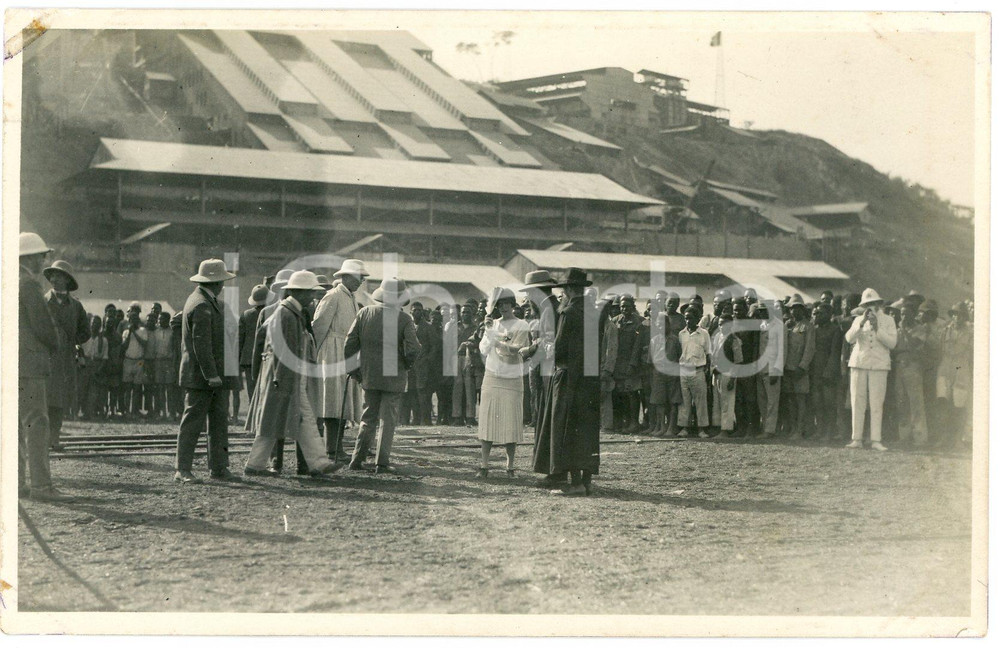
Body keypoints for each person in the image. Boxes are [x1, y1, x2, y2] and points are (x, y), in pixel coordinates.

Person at [244, 271, 341, 479]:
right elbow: (282, 351)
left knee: (282, 421)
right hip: (286, 377)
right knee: (293, 419)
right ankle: (318, 463)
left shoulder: (288, 312)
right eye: (309, 293)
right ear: (299, 293)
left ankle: (257, 464)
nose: (312, 297)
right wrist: (282, 380)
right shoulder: (287, 314)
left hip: (285, 377)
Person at [533, 268, 601, 496]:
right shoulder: (595, 311)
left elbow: (559, 348)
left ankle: (575, 483)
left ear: (570, 289)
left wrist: (541, 347)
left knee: (566, 429)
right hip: (590, 378)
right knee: (587, 429)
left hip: (568, 376)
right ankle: (587, 481)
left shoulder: (569, 312)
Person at [174, 259, 241, 483]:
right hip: (203, 377)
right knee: (194, 422)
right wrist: (211, 374)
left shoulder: (201, 300)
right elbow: (201, 344)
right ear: (217, 282)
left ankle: (219, 468)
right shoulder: (202, 304)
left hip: (209, 376)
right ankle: (182, 469)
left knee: (218, 421)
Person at [345, 278, 422, 474]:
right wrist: (406, 364)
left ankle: (357, 459)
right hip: (394, 376)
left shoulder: (364, 313)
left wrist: (354, 370)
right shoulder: (405, 319)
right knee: (388, 420)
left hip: (369, 374)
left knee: (367, 417)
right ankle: (382, 462)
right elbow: (413, 348)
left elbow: (349, 344)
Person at [18, 233, 73, 501]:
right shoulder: (28, 284)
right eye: (41, 255)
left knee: (16, 426)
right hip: (30, 365)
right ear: (29, 257)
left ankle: (17, 483)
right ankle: (41, 486)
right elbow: (44, 327)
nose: (43, 260)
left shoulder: (9, 279)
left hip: (13, 365)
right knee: (37, 423)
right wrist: (54, 346)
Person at [313, 259, 367, 462]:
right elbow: (318, 326)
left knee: (343, 402)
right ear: (347, 277)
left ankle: (337, 447)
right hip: (331, 353)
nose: (361, 281)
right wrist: (315, 356)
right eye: (359, 277)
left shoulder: (351, 298)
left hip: (346, 353)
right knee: (332, 401)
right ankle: (331, 448)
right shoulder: (333, 296)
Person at [475, 289, 533, 478]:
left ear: (513, 305)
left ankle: (510, 466)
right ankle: (484, 465)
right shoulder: (493, 324)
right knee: (487, 420)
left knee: (510, 423)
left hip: (512, 378)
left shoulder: (522, 324)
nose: (504, 307)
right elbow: (483, 349)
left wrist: (496, 341)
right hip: (492, 376)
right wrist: (488, 331)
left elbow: (514, 350)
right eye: (500, 304)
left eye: (507, 303)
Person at [43, 260, 90, 450]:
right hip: (45, 360)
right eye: (52, 275)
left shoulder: (76, 306)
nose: (54, 279)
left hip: (65, 362)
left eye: (59, 275)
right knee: (43, 401)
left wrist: (70, 342)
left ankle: (54, 439)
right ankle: (43, 440)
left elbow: (85, 332)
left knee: (59, 402)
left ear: (67, 280)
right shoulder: (43, 301)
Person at [844, 288, 897, 451]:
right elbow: (849, 338)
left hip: (879, 364)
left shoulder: (888, 320)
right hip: (859, 362)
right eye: (867, 304)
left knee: (876, 402)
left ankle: (876, 440)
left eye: (874, 304)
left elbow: (892, 343)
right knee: (857, 401)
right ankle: (857, 438)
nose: (871, 308)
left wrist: (877, 328)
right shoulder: (858, 320)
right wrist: (861, 324)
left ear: (879, 305)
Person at [935, 302, 973, 448]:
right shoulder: (945, 331)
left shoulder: (970, 333)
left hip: (961, 369)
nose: (957, 318)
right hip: (945, 368)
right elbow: (939, 350)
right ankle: (943, 438)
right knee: (943, 403)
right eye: (955, 314)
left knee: (959, 405)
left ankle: (957, 439)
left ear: (965, 317)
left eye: (960, 315)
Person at [893, 298, 928, 448]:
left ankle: (919, 437)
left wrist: (905, 332)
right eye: (901, 314)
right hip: (899, 366)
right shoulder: (897, 329)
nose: (903, 317)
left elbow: (915, 345)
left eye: (907, 314)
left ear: (913, 315)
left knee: (916, 402)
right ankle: (904, 436)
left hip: (913, 367)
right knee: (901, 402)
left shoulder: (920, 329)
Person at [781, 294, 816, 439]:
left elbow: (809, 348)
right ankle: (792, 427)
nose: (795, 311)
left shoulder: (808, 326)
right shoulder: (787, 325)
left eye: (798, 308)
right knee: (790, 400)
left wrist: (802, 367)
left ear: (802, 309)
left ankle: (799, 430)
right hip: (787, 368)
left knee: (800, 400)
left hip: (800, 370)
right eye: (792, 308)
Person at [810, 303, 843, 441]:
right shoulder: (815, 329)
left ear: (829, 315)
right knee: (817, 402)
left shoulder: (835, 330)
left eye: (820, 313)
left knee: (829, 402)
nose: (817, 316)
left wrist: (829, 371)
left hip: (828, 370)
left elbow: (835, 353)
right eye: (816, 313)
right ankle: (820, 430)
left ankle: (829, 432)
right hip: (815, 369)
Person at [677, 302, 711, 438]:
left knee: (700, 401)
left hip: (698, 370)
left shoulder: (704, 334)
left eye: (690, 318)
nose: (688, 320)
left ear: (697, 319)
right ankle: (685, 428)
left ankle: (701, 429)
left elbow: (708, 353)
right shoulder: (681, 334)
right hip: (683, 371)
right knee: (684, 401)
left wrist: (707, 371)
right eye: (686, 318)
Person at [611, 294, 644, 434]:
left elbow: (638, 346)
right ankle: (621, 422)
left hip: (631, 363)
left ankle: (633, 422)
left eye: (628, 306)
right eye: (622, 306)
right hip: (617, 363)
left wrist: (632, 364)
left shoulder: (639, 322)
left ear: (633, 307)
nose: (625, 309)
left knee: (631, 393)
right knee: (619, 393)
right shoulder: (615, 321)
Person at [710, 302, 743, 438]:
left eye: (724, 324)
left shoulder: (734, 339)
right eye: (719, 324)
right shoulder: (717, 337)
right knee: (717, 402)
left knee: (727, 403)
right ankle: (718, 427)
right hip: (717, 374)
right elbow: (713, 355)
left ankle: (726, 429)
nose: (721, 326)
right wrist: (713, 370)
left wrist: (733, 378)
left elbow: (738, 361)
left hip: (728, 374)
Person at [754, 300, 783, 439]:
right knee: (762, 401)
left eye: (764, 310)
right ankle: (765, 427)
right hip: (761, 368)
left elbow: (782, 350)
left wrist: (776, 370)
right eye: (759, 310)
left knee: (772, 402)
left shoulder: (778, 326)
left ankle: (770, 430)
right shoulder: (762, 324)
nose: (761, 312)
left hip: (772, 369)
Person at [452, 304, 480, 426]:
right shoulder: (455, 327)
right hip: (456, 358)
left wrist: (469, 344)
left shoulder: (476, 328)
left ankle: (470, 416)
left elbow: (480, 342)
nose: (465, 315)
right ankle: (457, 416)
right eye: (463, 312)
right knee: (457, 388)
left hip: (470, 358)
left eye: (467, 312)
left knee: (470, 389)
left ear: (472, 314)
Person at [239, 284, 268, 404]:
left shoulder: (246, 315)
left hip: (248, 359)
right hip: (265, 356)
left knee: (252, 393)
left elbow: (240, 338)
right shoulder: (271, 313)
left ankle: (252, 420)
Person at [79, 315, 108, 419]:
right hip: (85, 364)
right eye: (93, 323)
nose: (94, 325)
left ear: (100, 326)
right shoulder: (84, 338)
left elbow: (105, 357)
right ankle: (83, 412)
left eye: (97, 323)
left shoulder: (103, 340)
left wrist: (99, 369)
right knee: (83, 389)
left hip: (96, 365)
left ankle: (91, 412)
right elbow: (80, 351)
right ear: (89, 324)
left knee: (94, 391)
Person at [153, 311, 176, 419]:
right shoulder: (155, 332)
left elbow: (175, 349)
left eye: (162, 319)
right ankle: (162, 413)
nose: (160, 321)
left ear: (167, 320)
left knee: (170, 389)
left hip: (168, 362)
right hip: (158, 362)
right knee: (160, 388)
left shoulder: (172, 332)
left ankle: (171, 412)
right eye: (159, 319)